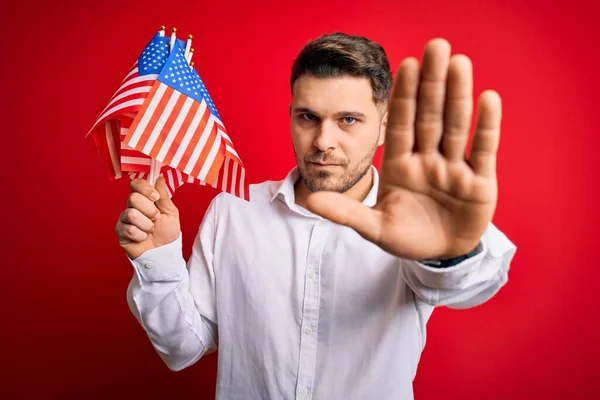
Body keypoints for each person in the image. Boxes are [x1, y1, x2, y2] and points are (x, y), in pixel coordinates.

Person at [115, 32, 517, 400]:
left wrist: (449, 252)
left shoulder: (414, 222)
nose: (324, 141)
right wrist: (158, 258)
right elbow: (182, 348)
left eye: (348, 120)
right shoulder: (234, 212)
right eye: (308, 117)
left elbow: (465, 287)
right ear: (291, 115)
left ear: (382, 128)